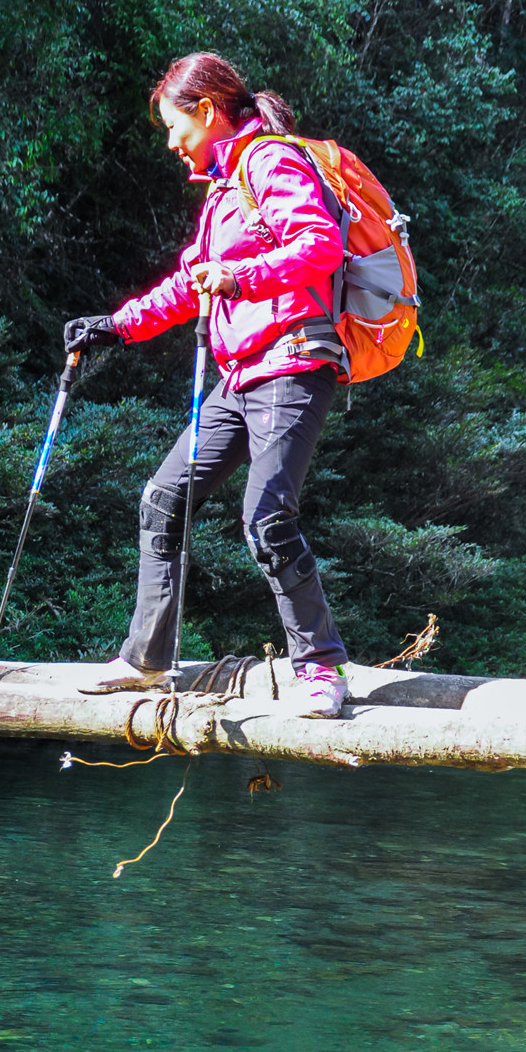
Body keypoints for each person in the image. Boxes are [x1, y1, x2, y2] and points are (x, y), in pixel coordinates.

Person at [66, 52, 350, 717]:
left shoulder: (271, 163)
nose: (172, 142)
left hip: (292, 362)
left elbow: (319, 245)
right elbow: (189, 283)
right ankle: (146, 661)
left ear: (207, 110)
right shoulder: (224, 190)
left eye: (175, 126)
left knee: (266, 518)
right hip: (241, 372)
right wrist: (116, 326)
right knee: (164, 499)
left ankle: (321, 669)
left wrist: (242, 277)